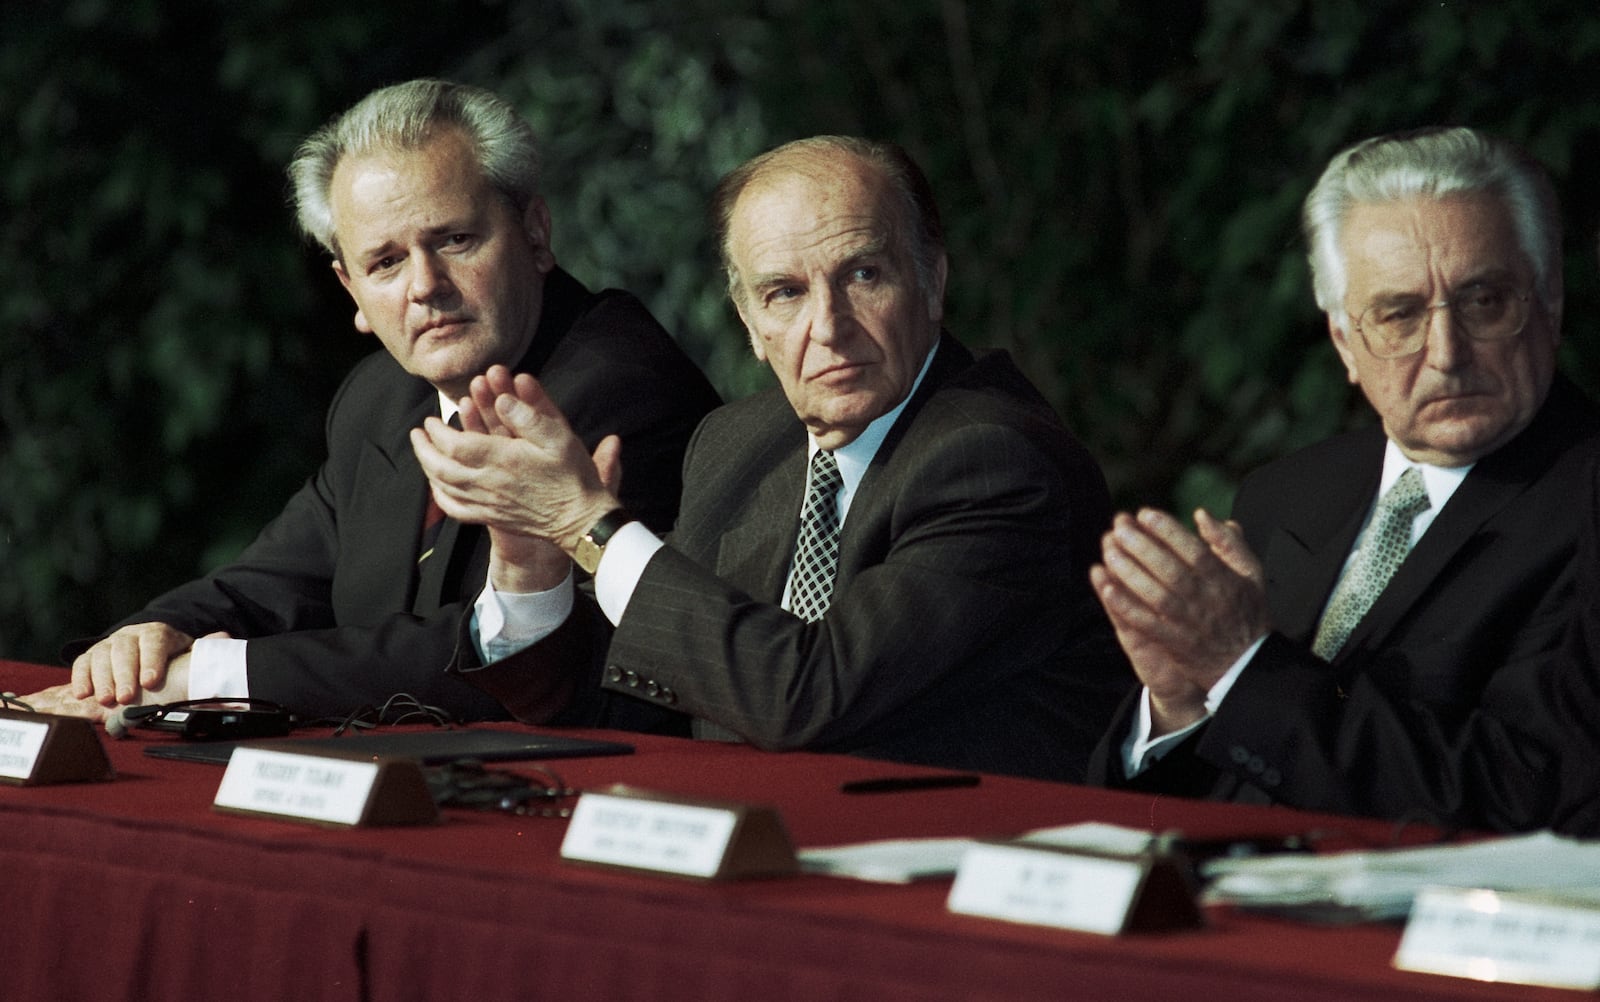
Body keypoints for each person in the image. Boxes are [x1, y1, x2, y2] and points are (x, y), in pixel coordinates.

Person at [411, 135, 1131, 781]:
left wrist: (590, 526)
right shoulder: (738, 443)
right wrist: (534, 570)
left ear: (933, 283)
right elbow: (643, 702)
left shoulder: (994, 462)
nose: (829, 327)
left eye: (864, 276)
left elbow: (803, 697)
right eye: (785, 293)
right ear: (749, 324)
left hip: (973, 878)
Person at [24, 79, 719, 723]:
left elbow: (493, 650)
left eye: (454, 240)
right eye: (385, 262)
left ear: (535, 234)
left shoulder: (617, 387)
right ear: (351, 291)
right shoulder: (381, 396)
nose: (424, 286)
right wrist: (156, 634)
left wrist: (209, 674)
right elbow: (276, 579)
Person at [1087, 126, 1600, 830]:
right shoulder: (1287, 492)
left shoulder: (1581, 499)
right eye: (1399, 314)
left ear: (1550, 303)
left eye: (1484, 303)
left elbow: (1528, 793)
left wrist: (1242, 666)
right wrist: (1181, 701)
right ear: (1344, 343)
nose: (1447, 354)